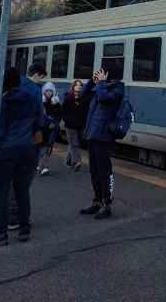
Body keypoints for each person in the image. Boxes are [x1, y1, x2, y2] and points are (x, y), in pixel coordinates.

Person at [0, 67, 41, 246]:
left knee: (1, 192)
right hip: (27, 150)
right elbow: (39, 122)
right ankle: (24, 229)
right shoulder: (31, 98)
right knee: (22, 190)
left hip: (4, 152)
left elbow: (0, 130)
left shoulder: (1, 102)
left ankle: (0, 235)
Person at [80, 67, 124, 220]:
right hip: (92, 134)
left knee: (104, 172)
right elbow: (81, 94)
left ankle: (107, 205)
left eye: (102, 73)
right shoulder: (102, 87)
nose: (100, 76)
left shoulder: (117, 89)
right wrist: (93, 80)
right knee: (94, 171)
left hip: (104, 137)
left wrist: (101, 83)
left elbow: (104, 97)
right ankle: (97, 201)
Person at [7, 62, 46, 232]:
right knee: (23, 184)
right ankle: (20, 219)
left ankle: (7, 219)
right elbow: (39, 120)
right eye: (42, 77)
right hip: (27, 143)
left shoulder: (14, 85)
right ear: (37, 74)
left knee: (7, 183)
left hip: (7, 144)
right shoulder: (35, 91)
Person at [62, 80, 88, 172]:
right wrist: (67, 120)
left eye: (80, 85)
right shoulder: (68, 97)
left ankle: (68, 161)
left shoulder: (83, 98)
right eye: (76, 85)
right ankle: (77, 161)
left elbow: (85, 112)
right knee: (74, 143)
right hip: (70, 125)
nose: (79, 87)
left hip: (80, 125)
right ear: (73, 87)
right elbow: (63, 110)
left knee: (73, 143)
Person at [38, 82, 62, 176]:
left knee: (48, 146)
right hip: (41, 128)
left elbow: (59, 115)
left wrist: (54, 122)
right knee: (39, 146)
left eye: (50, 91)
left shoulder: (56, 103)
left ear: (53, 92)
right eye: (47, 91)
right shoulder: (41, 102)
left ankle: (43, 166)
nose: (48, 93)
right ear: (43, 92)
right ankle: (38, 164)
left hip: (52, 128)